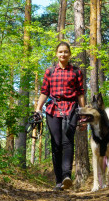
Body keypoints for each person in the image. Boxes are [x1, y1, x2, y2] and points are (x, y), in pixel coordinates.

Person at [32, 41, 86, 191]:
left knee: (68, 141)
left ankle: (66, 176)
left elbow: (80, 94)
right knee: (56, 144)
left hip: (71, 108)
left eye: (66, 52)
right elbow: (44, 92)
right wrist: (38, 109)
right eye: (60, 52)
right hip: (53, 109)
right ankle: (58, 180)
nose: (63, 54)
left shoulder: (76, 72)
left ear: (70, 54)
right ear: (57, 54)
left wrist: (83, 115)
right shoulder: (50, 71)